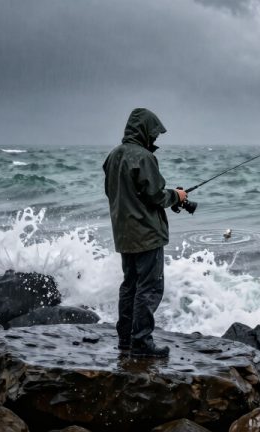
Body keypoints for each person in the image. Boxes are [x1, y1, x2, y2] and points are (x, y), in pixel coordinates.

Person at [103, 108, 188, 358]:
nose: (155, 137)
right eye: (154, 133)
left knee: (129, 285)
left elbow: (113, 192)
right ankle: (141, 342)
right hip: (147, 235)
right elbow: (156, 195)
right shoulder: (144, 157)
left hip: (124, 234)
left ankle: (125, 339)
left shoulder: (113, 156)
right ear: (144, 131)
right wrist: (177, 196)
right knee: (149, 288)